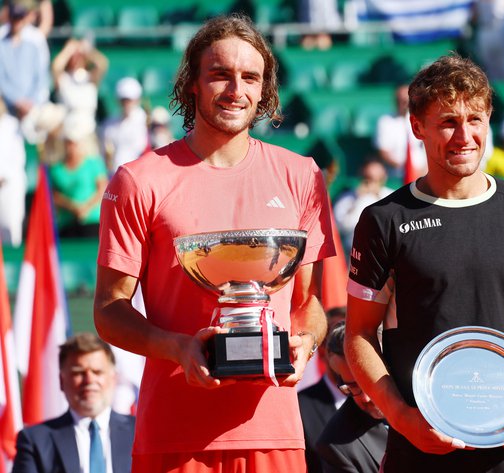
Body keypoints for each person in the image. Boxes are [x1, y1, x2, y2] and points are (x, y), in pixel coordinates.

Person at [93, 13, 335, 473]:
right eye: (220, 75)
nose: (235, 90)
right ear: (192, 85)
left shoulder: (301, 175)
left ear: (264, 90)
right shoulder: (138, 180)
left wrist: (306, 341)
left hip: (275, 430)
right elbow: (108, 311)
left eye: (249, 77)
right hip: (174, 434)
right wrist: (177, 348)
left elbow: (308, 303)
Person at [344, 54, 504, 471]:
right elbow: (358, 334)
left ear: (488, 121)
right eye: (448, 121)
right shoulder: (384, 220)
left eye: (475, 120)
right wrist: (402, 418)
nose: (464, 136)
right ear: (417, 127)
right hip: (424, 443)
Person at [12, 332, 136, 473]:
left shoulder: (139, 434)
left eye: (97, 372)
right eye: (78, 373)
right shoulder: (35, 440)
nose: (89, 381)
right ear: (61, 381)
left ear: (114, 378)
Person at [316, 321, 387, 473]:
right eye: (353, 387)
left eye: (370, 382)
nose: (366, 398)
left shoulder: (431, 400)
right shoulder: (336, 446)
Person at [298, 307, 348, 473]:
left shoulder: (386, 398)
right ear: (321, 350)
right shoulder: (300, 407)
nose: (346, 349)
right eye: (336, 340)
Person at [49, 113, 108, 238]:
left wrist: (85, 208)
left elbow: (102, 189)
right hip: (67, 223)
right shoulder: (56, 169)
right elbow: (53, 195)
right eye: (69, 143)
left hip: (92, 222)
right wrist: (72, 207)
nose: (71, 147)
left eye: (74, 143)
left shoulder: (94, 163)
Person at [51, 37, 108, 156]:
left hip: (88, 132)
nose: (76, 57)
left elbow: (102, 64)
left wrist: (87, 50)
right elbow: (55, 67)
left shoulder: (90, 77)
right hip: (68, 133)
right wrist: (68, 50)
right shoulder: (64, 79)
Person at [0, 0, 50, 122]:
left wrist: (30, 104)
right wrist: (17, 101)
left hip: (33, 109)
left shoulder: (34, 41)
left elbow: (41, 78)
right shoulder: (1, 40)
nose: (17, 21)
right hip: (7, 109)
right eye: (14, 16)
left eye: (20, 16)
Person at [333, 159, 393, 257]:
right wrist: (358, 199)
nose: (371, 183)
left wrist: (377, 196)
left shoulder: (391, 196)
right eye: (367, 178)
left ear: (384, 178)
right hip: (355, 253)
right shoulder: (347, 198)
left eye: (376, 179)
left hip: (384, 252)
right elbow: (341, 226)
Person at [373, 83, 426, 181]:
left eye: (406, 100)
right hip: (396, 174)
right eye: (400, 100)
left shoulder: (420, 120)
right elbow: (383, 151)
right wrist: (406, 168)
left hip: (423, 173)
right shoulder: (385, 121)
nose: (404, 104)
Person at [100, 76, 149, 175]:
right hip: (115, 175)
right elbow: (106, 154)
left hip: (139, 174)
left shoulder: (146, 121)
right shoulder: (109, 124)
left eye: (129, 100)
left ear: (137, 100)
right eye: (123, 100)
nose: (126, 104)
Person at [0, 95, 26, 247]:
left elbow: (18, 157)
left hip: (10, 186)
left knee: (11, 228)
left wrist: (4, 177)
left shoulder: (13, 125)